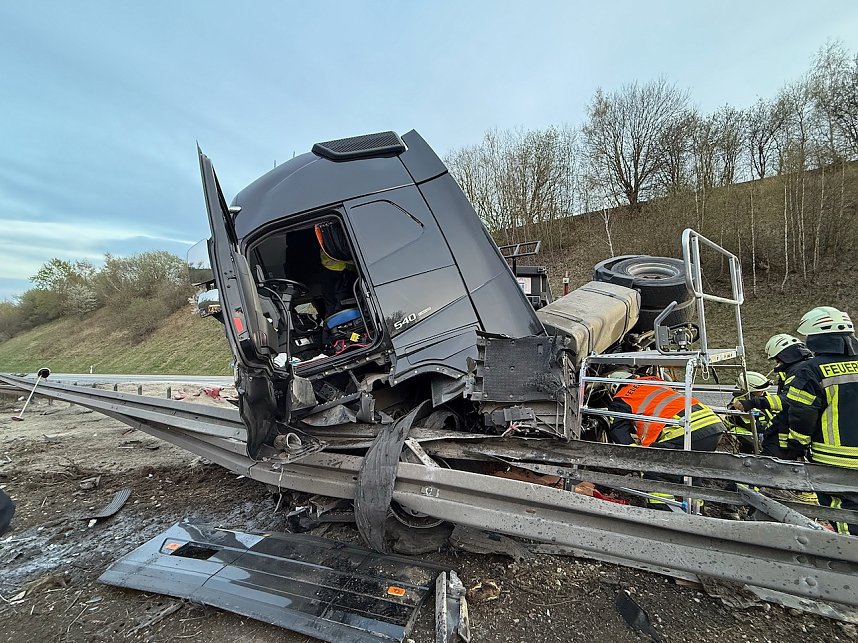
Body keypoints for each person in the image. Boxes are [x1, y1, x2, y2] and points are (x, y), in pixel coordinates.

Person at [785, 306, 858, 535]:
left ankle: (845, 562)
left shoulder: (810, 371)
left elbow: (802, 415)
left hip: (837, 460)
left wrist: (796, 445)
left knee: (843, 514)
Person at [605, 371, 726, 508]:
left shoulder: (623, 396)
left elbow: (618, 431)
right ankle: (697, 514)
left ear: (615, 387)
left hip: (685, 431)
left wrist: (637, 457)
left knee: (657, 474)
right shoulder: (655, 382)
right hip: (713, 426)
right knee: (691, 474)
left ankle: (663, 517)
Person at [732, 335, 813, 457]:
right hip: (787, 434)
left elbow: (790, 400)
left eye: (778, 360)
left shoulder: (800, 373)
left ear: (786, 356)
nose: (777, 364)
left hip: (789, 437)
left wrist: (753, 403)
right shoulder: (802, 369)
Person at [726, 371, 776, 454]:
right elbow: (751, 417)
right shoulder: (739, 403)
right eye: (761, 390)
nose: (763, 392)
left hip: (761, 428)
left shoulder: (762, 395)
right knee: (752, 446)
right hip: (744, 430)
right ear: (750, 390)